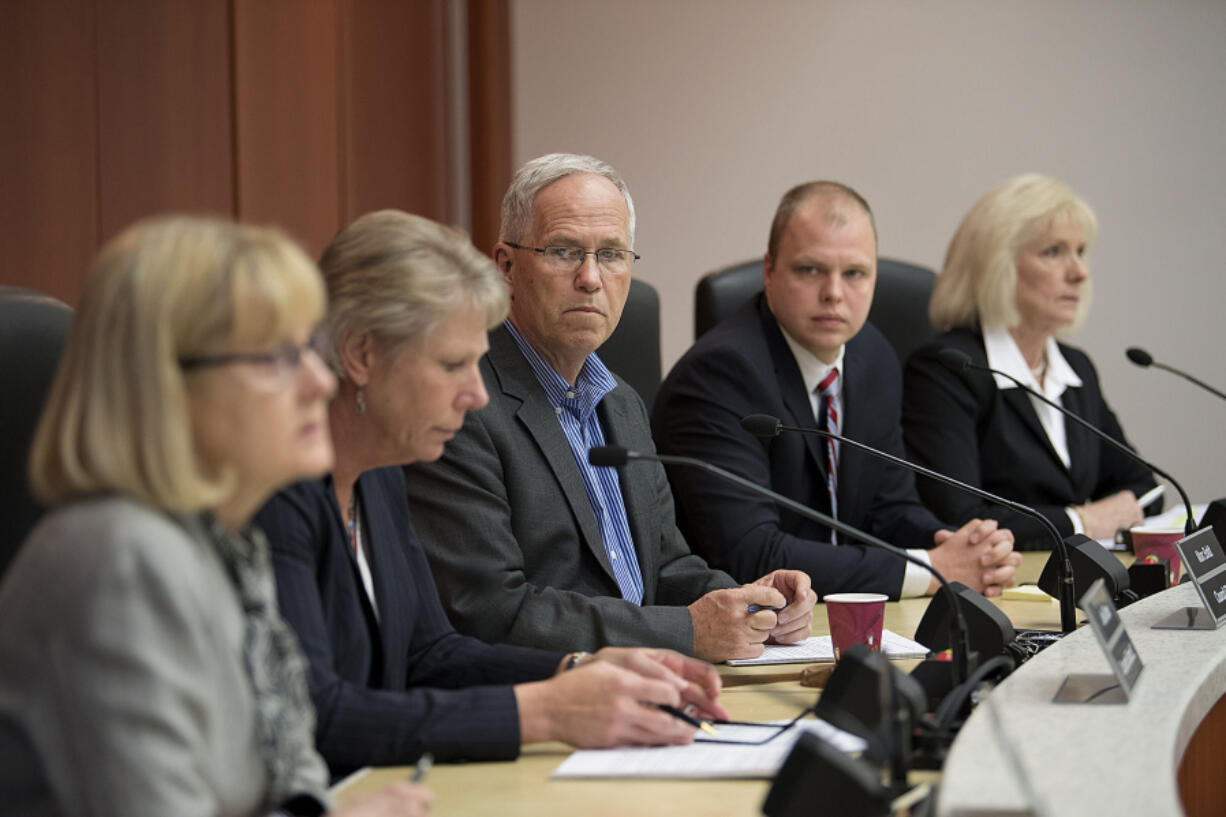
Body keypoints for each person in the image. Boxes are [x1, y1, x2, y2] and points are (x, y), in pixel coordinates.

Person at [255, 209, 728, 779]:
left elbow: (431, 655)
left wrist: (582, 668)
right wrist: (542, 711)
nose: (478, 395)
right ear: (360, 355)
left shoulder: (378, 474)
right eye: (454, 364)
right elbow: (319, 714)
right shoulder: (278, 492)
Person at [0, 216, 430, 817]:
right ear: (166, 383)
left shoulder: (222, 542)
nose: (318, 380)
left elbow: (293, 772)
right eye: (279, 358)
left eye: (311, 348)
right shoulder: (122, 560)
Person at [403, 154, 816, 663]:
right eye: (563, 251)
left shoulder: (620, 402)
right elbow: (490, 612)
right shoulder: (463, 404)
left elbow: (665, 569)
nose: (591, 278)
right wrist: (687, 631)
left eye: (613, 254)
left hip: (646, 689)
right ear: (506, 267)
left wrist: (751, 603)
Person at [652, 181, 1021, 600]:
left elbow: (888, 510)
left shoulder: (872, 356)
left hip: (838, 618)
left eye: (854, 274)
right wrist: (932, 570)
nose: (834, 293)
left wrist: (962, 548)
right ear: (769, 271)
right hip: (747, 631)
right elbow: (749, 554)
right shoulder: (719, 375)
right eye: (810, 270)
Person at [902, 174, 1160, 548]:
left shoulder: (1075, 370)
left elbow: (1143, 489)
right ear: (996, 265)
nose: (1079, 272)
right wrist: (1081, 520)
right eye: (1054, 252)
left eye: (1081, 251)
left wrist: (1099, 517)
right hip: (997, 588)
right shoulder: (947, 370)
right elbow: (958, 518)